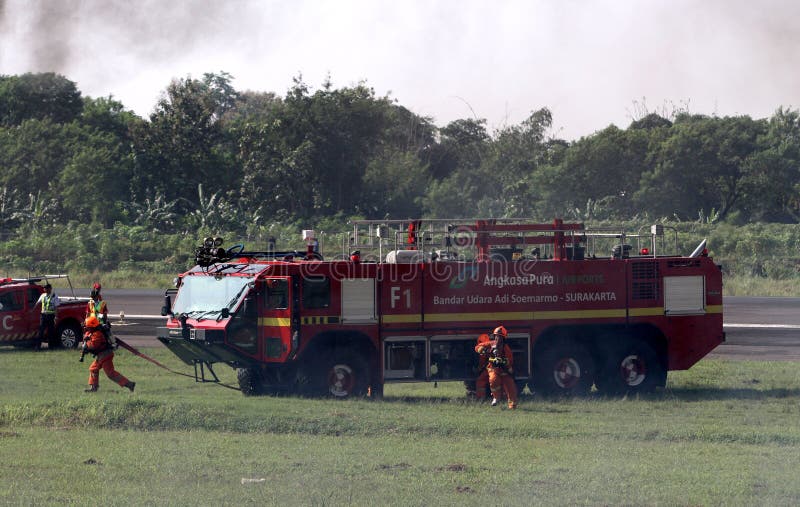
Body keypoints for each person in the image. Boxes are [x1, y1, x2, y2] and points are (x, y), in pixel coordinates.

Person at [81, 315, 135, 393]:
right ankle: (94, 387)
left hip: (105, 355)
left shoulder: (97, 334)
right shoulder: (92, 332)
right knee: (93, 369)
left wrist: (86, 343)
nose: (86, 328)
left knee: (110, 374)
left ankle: (129, 384)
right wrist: (86, 338)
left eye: (87, 326)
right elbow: (88, 338)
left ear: (92, 327)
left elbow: (92, 346)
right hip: (101, 355)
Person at [486, 325, 518, 409]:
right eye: (496, 336)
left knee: (510, 387)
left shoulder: (507, 350)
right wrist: (483, 350)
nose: (497, 339)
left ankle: (512, 406)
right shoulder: (491, 344)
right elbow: (478, 347)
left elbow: (510, 362)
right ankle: (496, 398)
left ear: (503, 339)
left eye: (500, 337)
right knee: (494, 380)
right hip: (494, 369)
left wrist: (503, 362)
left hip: (505, 370)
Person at [34, 283, 59, 350]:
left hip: (51, 316)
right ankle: (37, 347)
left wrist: (56, 317)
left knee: (51, 332)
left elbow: (56, 307)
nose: (45, 289)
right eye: (45, 288)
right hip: (43, 316)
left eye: (47, 288)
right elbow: (37, 303)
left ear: (50, 288)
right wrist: (32, 310)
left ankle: (51, 347)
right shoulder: (42, 295)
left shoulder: (54, 296)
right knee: (41, 331)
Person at [473, 333, 492, 400]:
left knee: (481, 381)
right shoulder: (495, 345)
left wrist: (479, 369)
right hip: (499, 369)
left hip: (491, 369)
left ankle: (481, 398)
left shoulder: (483, 348)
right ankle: (501, 397)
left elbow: (482, 361)